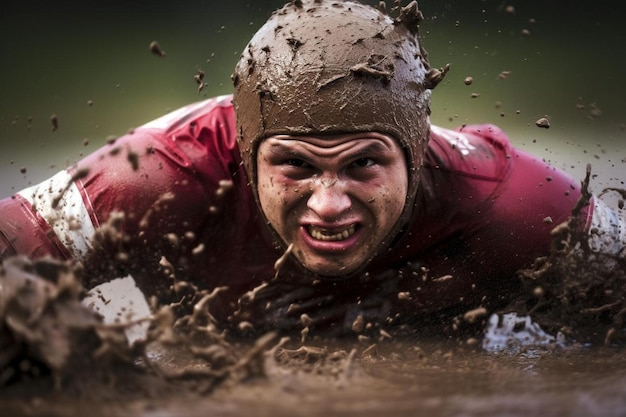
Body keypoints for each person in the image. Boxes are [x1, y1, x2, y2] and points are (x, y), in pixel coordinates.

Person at [0, 0, 624, 336]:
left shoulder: (509, 200)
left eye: (363, 165)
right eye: (295, 166)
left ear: (416, 152)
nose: (329, 204)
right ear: (244, 160)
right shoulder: (158, 178)